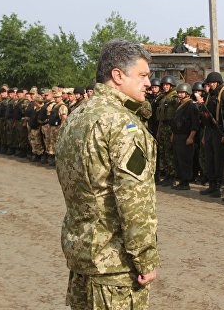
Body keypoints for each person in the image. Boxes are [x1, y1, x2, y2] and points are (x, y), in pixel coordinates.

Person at [55, 39, 159, 309]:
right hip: (115, 268)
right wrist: (145, 259)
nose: (148, 83)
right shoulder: (122, 124)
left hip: (82, 257)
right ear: (117, 75)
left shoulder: (78, 116)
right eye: (143, 75)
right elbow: (134, 202)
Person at [198, 71, 224, 198]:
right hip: (210, 131)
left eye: (213, 82)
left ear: (218, 82)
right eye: (209, 83)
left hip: (220, 132)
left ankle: (220, 187)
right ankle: (212, 185)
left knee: (220, 160)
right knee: (209, 158)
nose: (211, 85)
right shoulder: (209, 95)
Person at [171, 82, 200, 190]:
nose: (180, 94)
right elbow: (175, 121)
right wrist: (173, 134)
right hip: (178, 135)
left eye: (182, 92)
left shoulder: (191, 105)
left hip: (186, 136)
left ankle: (185, 182)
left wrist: (191, 137)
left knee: (185, 160)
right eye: (179, 92)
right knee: (178, 160)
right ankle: (181, 180)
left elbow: (195, 124)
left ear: (187, 93)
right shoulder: (179, 105)